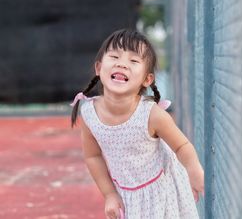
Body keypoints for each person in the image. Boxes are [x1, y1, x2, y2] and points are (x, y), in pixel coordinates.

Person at [70, 29, 203, 219]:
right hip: (127, 194)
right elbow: (93, 156)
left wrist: (193, 169)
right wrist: (109, 194)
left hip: (163, 189)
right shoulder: (89, 113)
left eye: (133, 61)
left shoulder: (152, 115)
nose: (122, 64)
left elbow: (181, 146)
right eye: (114, 56)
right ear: (98, 68)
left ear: (146, 79)